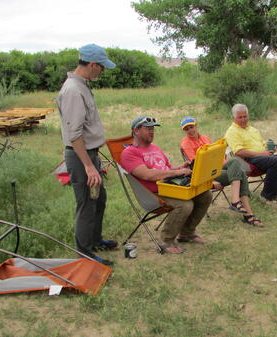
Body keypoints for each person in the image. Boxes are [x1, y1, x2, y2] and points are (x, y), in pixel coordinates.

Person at [57, 44, 117, 266]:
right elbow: (74, 134)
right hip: (80, 155)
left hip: (90, 153)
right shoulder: (73, 89)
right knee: (86, 203)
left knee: (98, 198)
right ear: (92, 65)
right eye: (102, 67)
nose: (102, 72)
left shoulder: (82, 85)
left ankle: (95, 240)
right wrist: (89, 166)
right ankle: (85, 253)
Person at [121, 116, 212, 254]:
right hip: (152, 194)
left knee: (205, 195)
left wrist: (180, 168)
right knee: (185, 204)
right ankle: (166, 240)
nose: (152, 132)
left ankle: (186, 233)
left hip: (170, 186)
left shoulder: (155, 148)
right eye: (147, 129)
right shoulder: (130, 152)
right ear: (136, 131)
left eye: (152, 129)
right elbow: (147, 175)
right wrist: (175, 173)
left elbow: (167, 168)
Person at [179, 116, 264, 227]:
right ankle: (248, 214)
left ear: (196, 125)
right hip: (205, 174)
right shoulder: (186, 143)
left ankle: (237, 203)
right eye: (187, 129)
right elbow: (196, 166)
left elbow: (218, 156)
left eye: (191, 126)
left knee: (234, 163)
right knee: (241, 173)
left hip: (216, 166)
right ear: (184, 131)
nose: (190, 130)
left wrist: (222, 163)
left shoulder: (205, 138)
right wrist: (211, 181)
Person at [224, 104, 277, 204]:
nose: (243, 119)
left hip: (263, 157)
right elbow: (239, 152)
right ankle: (266, 196)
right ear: (233, 118)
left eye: (245, 116)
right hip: (248, 160)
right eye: (240, 117)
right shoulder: (232, 132)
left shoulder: (252, 129)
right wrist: (261, 154)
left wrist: (271, 147)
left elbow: (262, 143)